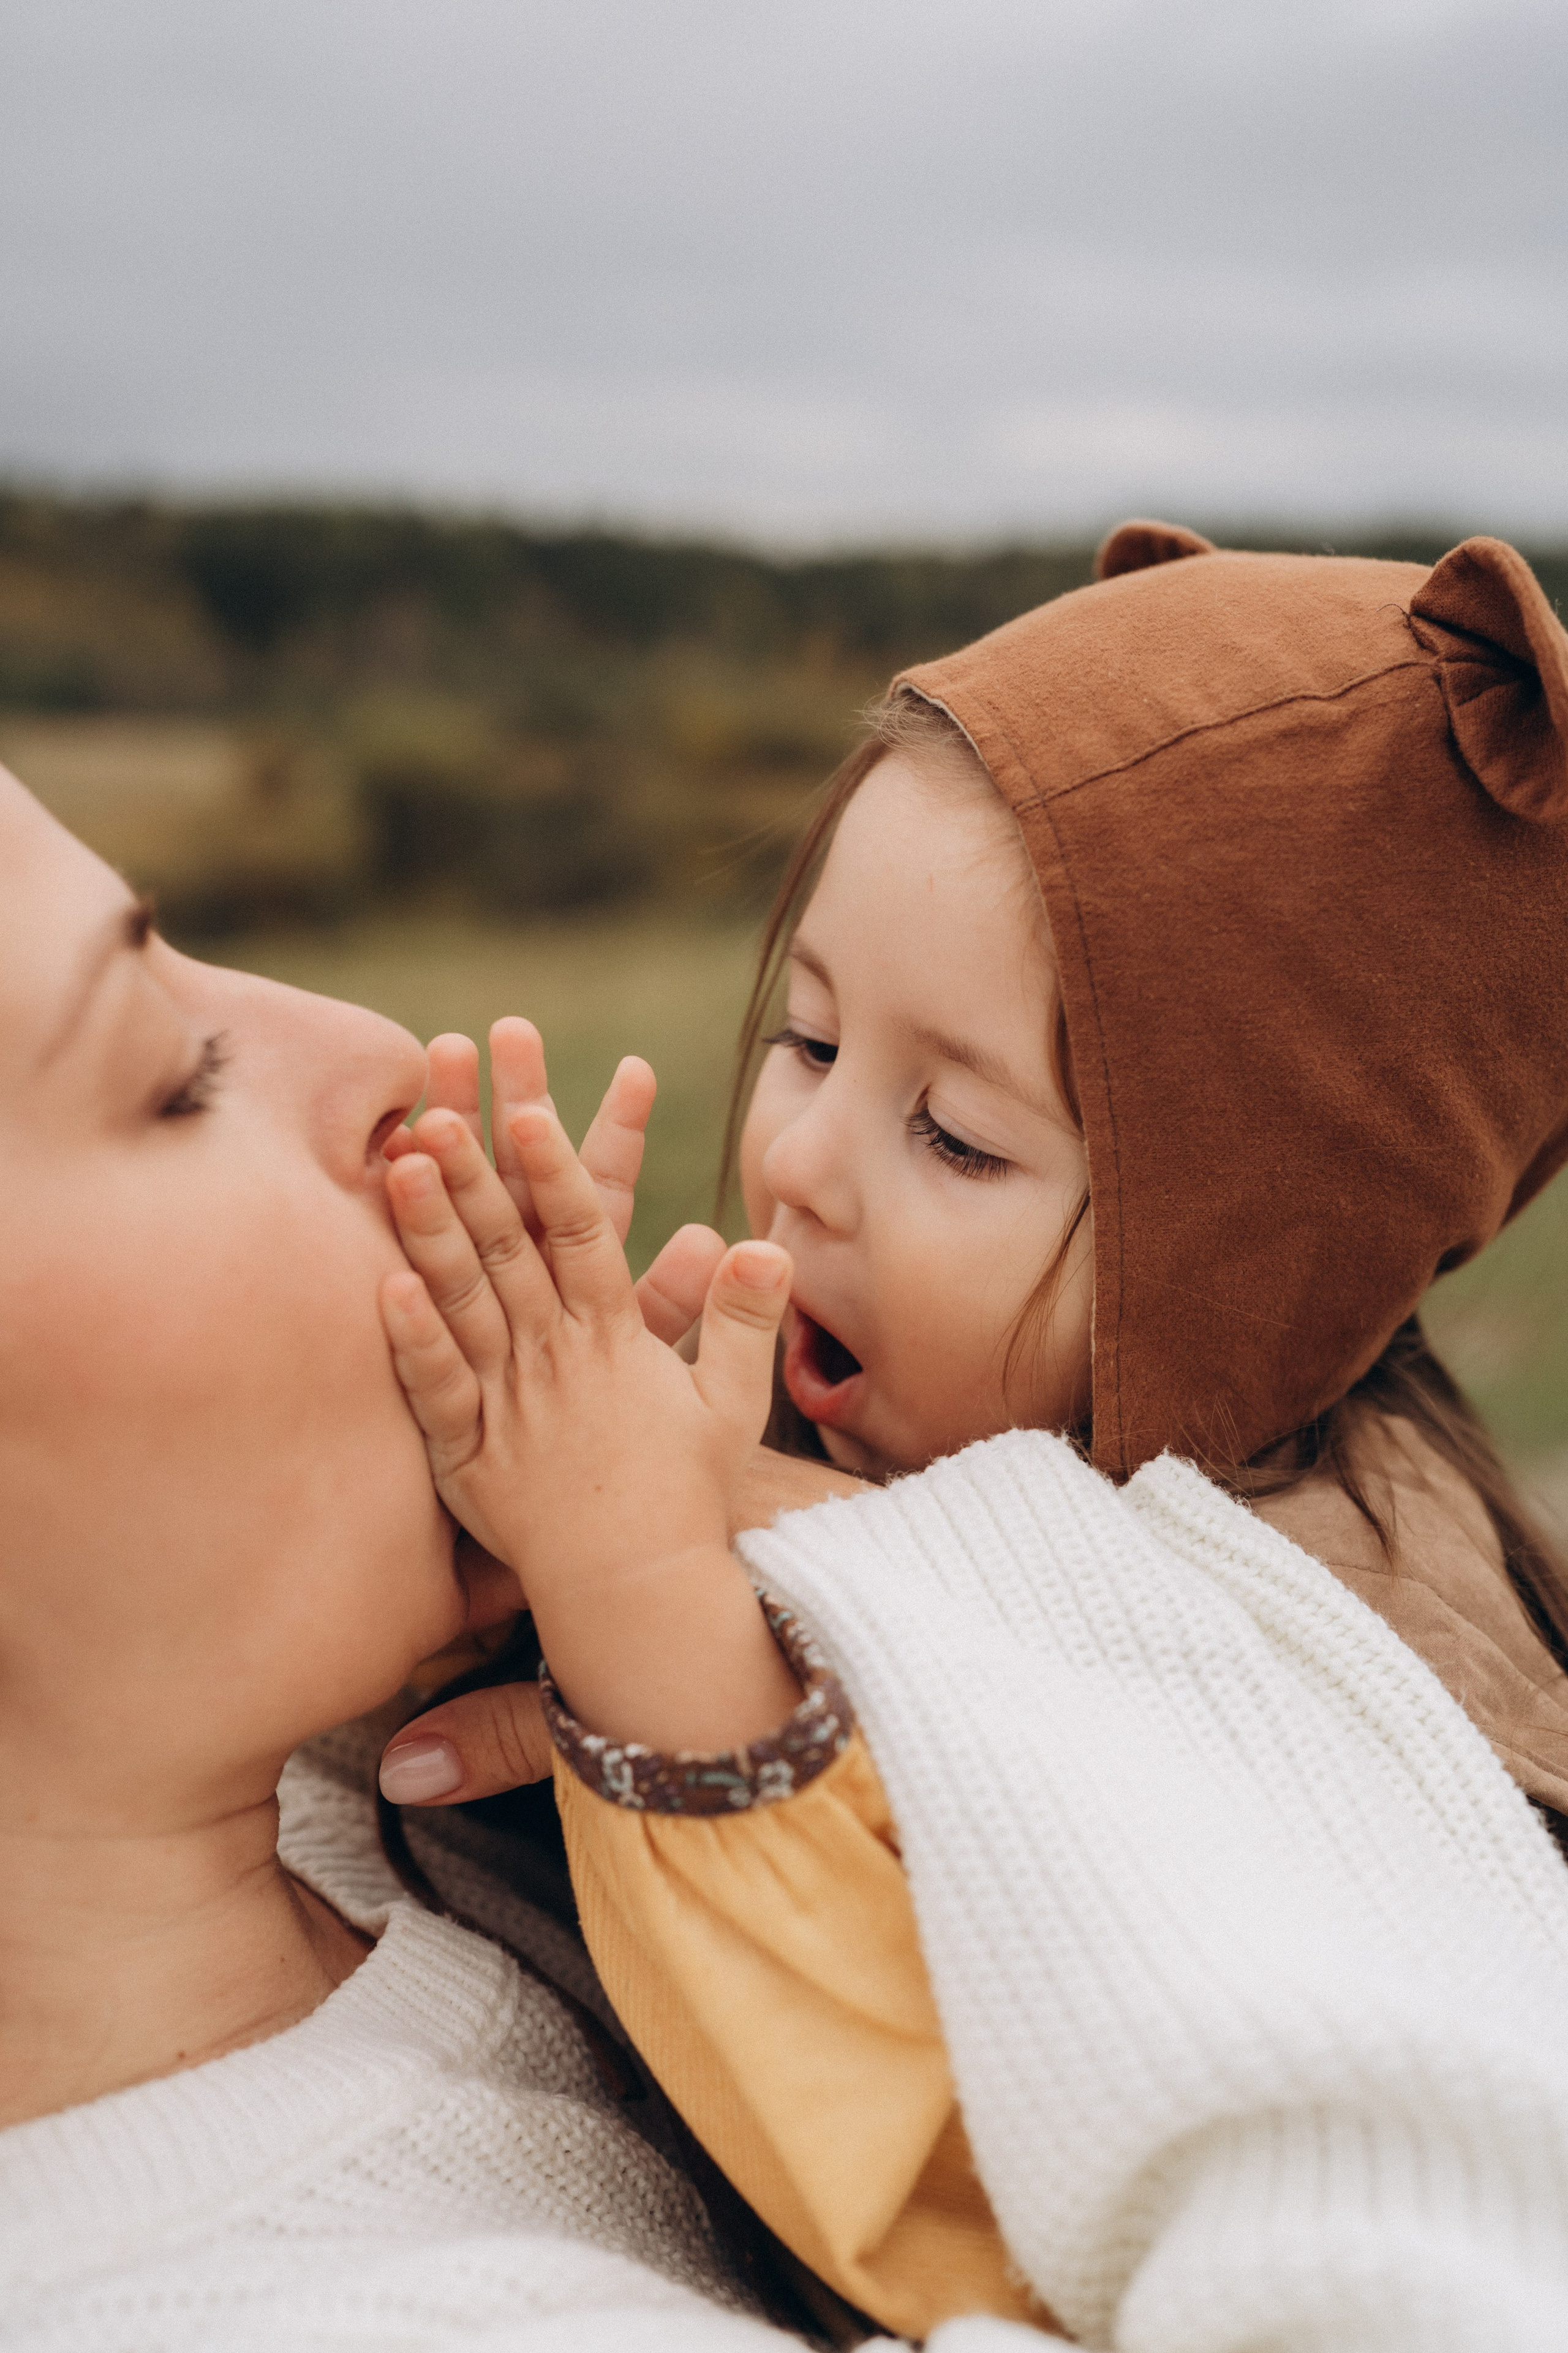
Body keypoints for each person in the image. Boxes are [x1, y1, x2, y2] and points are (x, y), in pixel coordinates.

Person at [379, 525, 1568, 2349]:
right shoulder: (926, 1428)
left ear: (1251, 1267)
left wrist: (646, 1608)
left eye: (955, 1136)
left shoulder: (1339, 1682)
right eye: (808, 1035)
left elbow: (952, 2192)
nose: (794, 1158)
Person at [0, 757, 930, 2353]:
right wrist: (961, 1604)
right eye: (172, 1072)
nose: (372, 1048)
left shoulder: (366, 1833)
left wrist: (644, 1627)